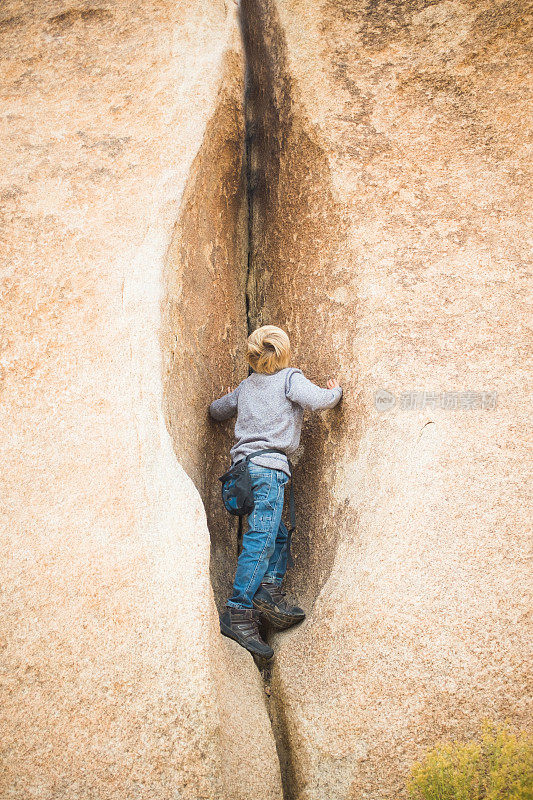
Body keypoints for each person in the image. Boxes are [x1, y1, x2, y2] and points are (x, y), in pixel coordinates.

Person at [209, 325, 342, 659]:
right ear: (283, 353)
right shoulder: (289, 379)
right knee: (262, 538)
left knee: (275, 533)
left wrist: (230, 397)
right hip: (268, 472)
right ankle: (238, 611)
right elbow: (320, 400)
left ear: (252, 357)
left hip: (242, 472)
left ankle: (267, 589)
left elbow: (215, 411)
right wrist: (336, 393)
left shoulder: (245, 386)